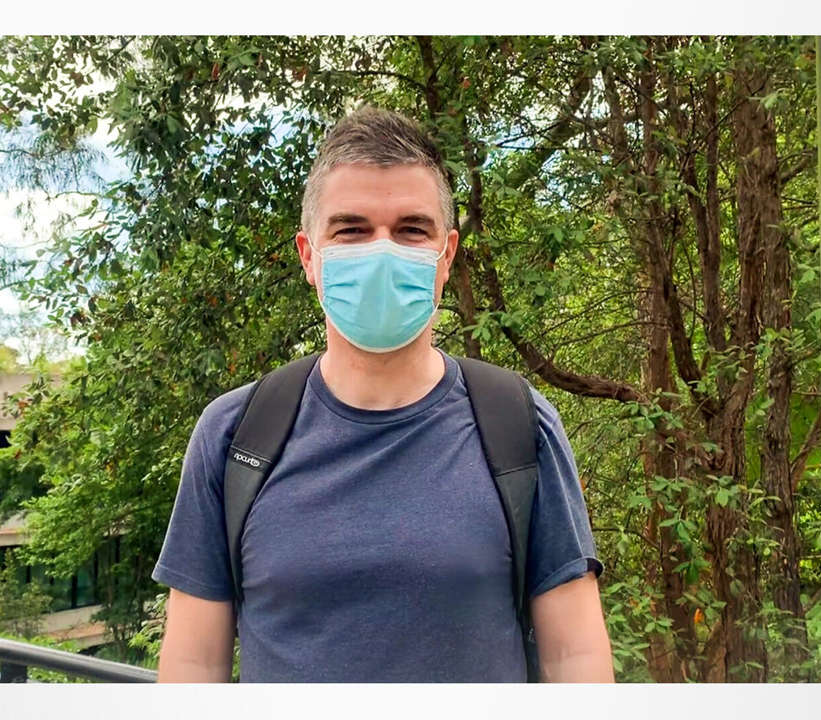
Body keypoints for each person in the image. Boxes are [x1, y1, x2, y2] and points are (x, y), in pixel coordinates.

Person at [151, 106, 614, 683]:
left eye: (411, 230)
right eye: (351, 230)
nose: (382, 251)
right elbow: (194, 665)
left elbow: (576, 656)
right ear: (309, 257)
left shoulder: (519, 424)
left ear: (445, 256)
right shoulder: (234, 436)